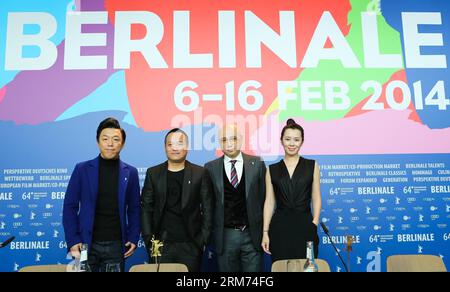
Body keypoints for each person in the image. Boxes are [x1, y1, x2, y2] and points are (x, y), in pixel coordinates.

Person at [63, 117, 141, 272]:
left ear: (122, 143)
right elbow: (70, 206)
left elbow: (134, 208)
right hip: (85, 244)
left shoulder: (130, 172)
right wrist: (73, 240)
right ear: (98, 141)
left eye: (115, 139)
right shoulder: (82, 169)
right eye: (105, 139)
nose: (110, 144)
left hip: (116, 245)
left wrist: (133, 237)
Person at [141, 128, 213, 272]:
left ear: (187, 147)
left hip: (190, 245)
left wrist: (202, 240)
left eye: (179, 143)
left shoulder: (200, 173)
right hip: (160, 245)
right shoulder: (153, 173)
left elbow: (208, 208)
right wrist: (149, 239)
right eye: (170, 144)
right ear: (165, 147)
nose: (174, 148)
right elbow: (146, 208)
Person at [204, 124, 266, 272]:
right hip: (225, 236)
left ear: (241, 140)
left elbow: (266, 200)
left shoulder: (257, 164)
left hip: (253, 234)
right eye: (224, 140)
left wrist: (265, 232)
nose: (229, 143)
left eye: (233, 138)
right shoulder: (210, 168)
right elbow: (207, 204)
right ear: (219, 143)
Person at [262, 119, 322, 262]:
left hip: (306, 225)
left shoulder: (312, 165)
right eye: (288, 139)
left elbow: (316, 197)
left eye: (296, 139)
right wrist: (265, 232)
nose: (292, 143)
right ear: (281, 141)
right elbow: (269, 202)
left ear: (302, 141)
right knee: (282, 267)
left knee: (308, 268)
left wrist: (314, 222)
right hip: (280, 227)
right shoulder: (272, 169)